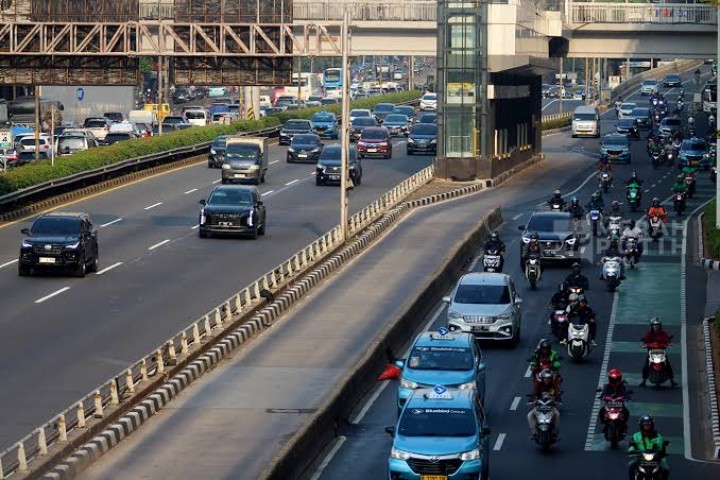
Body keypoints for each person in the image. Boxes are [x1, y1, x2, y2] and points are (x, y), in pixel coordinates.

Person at [628, 415, 669, 480]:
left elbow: (661, 448)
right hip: (640, 458)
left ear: (652, 425)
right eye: (645, 425)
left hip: (655, 459)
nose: (647, 427)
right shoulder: (636, 436)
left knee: (665, 469)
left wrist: (661, 453)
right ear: (641, 426)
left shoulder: (658, 436)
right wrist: (632, 451)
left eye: (648, 425)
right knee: (630, 467)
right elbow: (632, 445)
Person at [640, 318, 676, 387]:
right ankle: (644, 381)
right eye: (654, 325)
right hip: (651, 352)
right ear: (652, 326)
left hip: (662, 352)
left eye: (657, 325)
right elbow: (645, 341)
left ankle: (672, 381)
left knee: (668, 365)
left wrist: (669, 343)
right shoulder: (649, 333)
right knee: (646, 366)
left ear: (660, 326)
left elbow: (667, 340)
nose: (656, 326)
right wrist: (645, 343)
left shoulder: (663, 333)